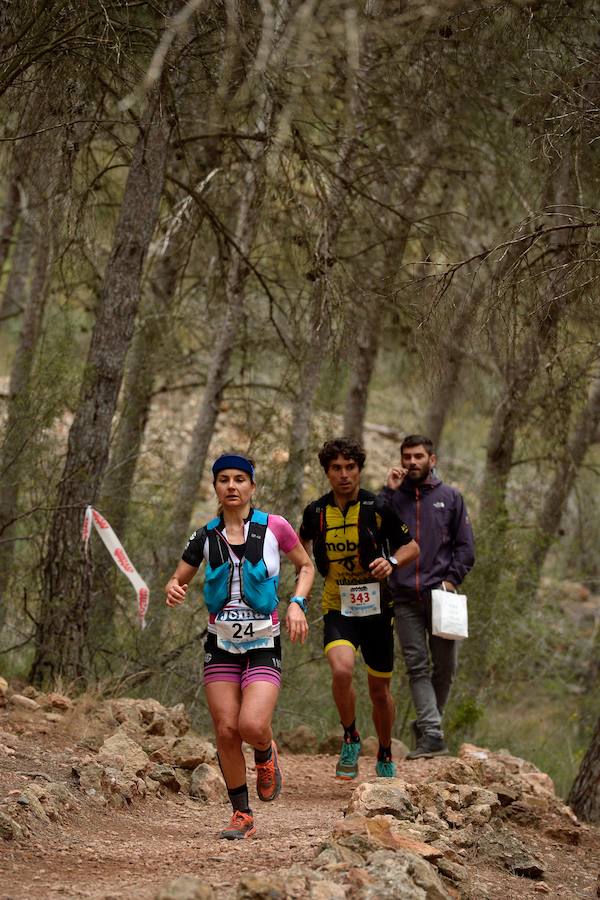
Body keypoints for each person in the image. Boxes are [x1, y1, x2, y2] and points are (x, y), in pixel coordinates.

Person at [166, 453, 314, 840]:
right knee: (227, 730)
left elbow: (306, 566)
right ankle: (242, 814)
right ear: (215, 487)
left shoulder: (275, 527)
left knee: (251, 725)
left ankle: (265, 752)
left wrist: (297, 603)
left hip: (264, 641)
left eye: (239, 480)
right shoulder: (204, 536)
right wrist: (173, 587)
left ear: (251, 486)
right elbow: (179, 576)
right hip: (221, 644)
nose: (232, 486)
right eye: (224, 480)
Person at [300, 438, 419, 780]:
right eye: (336, 468)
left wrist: (391, 562)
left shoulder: (377, 506)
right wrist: (304, 567)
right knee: (341, 670)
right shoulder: (316, 511)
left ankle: (383, 749)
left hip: (378, 608)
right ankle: (350, 735)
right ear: (327, 472)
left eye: (350, 468)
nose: (344, 475)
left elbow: (412, 546)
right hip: (339, 604)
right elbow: (301, 539)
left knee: (379, 691)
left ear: (359, 470)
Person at [380, 434, 475, 759]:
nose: (412, 462)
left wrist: (451, 580)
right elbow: (374, 529)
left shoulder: (450, 498)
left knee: (445, 667)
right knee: (417, 666)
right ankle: (432, 733)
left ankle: (428, 724)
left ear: (432, 459)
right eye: (407, 456)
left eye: (418, 456)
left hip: (442, 595)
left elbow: (465, 547)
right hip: (404, 596)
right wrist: (387, 492)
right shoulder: (394, 499)